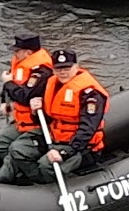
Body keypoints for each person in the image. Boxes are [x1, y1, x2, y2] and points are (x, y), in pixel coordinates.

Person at [8, 49, 109, 183]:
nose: (62, 72)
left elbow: (88, 129)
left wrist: (64, 153)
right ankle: (36, 180)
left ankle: (45, 184)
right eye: (58, 69)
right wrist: (35, 111)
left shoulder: (90, 94)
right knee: (18, 149)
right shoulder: (52, 84)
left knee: (46, 164)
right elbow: (48, 118)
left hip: (80, 147)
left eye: (67, 68)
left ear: (76, 67)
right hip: (55, 137)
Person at [0, 31, 54, 184]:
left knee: (16, 150)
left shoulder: (41, 71)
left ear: (28, 52)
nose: (15, 53)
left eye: (17, 50)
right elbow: (12, 83)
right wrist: (4, 100)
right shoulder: (19, 62)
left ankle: (34, 178)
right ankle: (19, 172)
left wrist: (7, 83)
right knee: (0, 143)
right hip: (21, 120)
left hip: (38, 123)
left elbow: (26, 96)